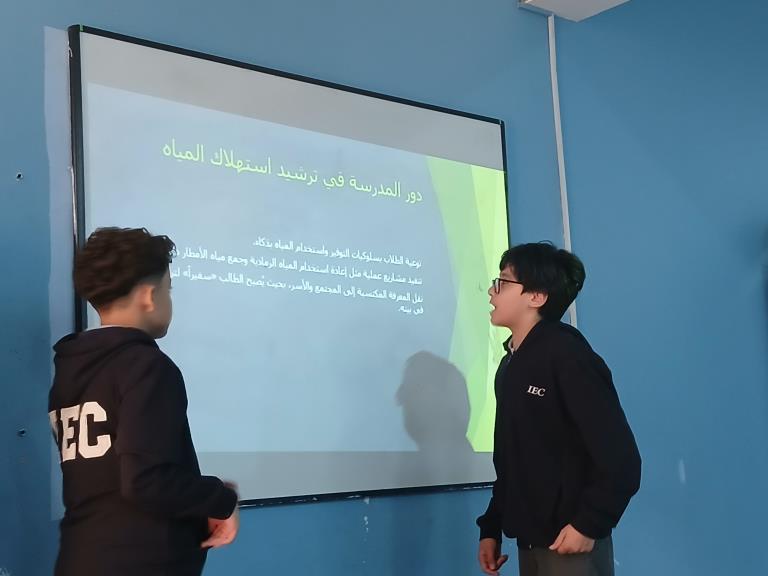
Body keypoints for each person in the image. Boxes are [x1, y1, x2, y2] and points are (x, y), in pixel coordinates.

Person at [49, 227, 239, 576]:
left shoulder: (71, 370)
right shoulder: (147, 366)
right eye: (169, 289)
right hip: (142, 562)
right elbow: (146, 482)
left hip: (80, 557)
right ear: (149, 296)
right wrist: (221, 499)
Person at [476, 242, 641, 576]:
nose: (492, 292)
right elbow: (511, 458)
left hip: (570, 542)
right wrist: (491, 527)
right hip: (529, 543)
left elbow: (622, 459)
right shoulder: (510, 365)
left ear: (537, 297)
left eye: (502, 282)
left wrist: (589, 524)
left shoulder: (568, 356)